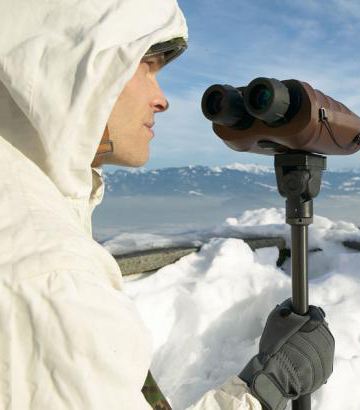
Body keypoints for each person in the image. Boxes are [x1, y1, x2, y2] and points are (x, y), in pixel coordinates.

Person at [0, 1, 334, 409]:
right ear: (73, 63)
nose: (162, 100)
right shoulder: (50, 277)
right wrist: (267, 390)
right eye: (147, 68)